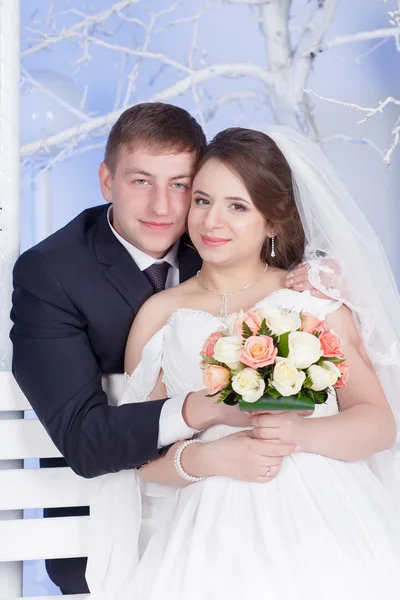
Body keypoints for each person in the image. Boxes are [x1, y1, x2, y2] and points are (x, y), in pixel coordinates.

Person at [87, 126, 400, 599]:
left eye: (238, 206)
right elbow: (142, 455)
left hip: (323, 512)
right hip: (210, 522)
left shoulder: (312, 301)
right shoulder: (160, 314)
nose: (213, 221)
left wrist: (298, 434)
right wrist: (205, 458)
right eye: (202, 200)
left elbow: (378, 423)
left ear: (273, 222)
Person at [10, 104, 308, 595]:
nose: (163, 208)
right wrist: (205, 411)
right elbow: (85, 441)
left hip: (249, 503)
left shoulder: (216, 236)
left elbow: (279, 253)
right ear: (106, 180)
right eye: (141, 181)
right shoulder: (51, 272)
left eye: (180, 185)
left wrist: (322, 274)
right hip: (112, 516)